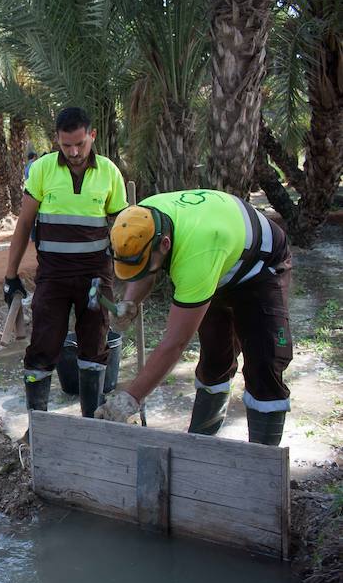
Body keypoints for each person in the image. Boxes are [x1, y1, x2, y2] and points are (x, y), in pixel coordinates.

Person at [95, 189, 293, 446]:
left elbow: (175, 342)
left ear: (165, 244)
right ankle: (200, 444)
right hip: (219, 255)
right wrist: (131, 302)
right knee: (214, 358)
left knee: (264, 364)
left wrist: (131, 398)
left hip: (261, 266)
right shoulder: (139, 219)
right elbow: (145, 268)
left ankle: (263, 460)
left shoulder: (195, 257)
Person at [3, 107, 127, 421]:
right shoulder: (42, 169)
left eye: (80, 144)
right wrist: (10, 275)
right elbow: (24, 224)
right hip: (53, 278)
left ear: (92, 136)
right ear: (56, 139)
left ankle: (91, 422)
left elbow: (124, 226)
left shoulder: (109, 172)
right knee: (42, 347)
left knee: (94, 344)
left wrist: (132, 275)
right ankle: (38, 427)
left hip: (95, 280)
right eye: (66, 145)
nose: (73, 152)